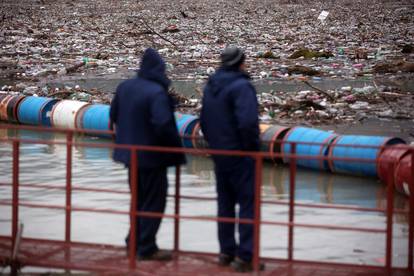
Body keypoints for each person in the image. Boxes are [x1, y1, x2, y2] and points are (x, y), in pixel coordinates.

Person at [110, 48, 186, 261]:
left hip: (129, 156)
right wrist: (176, 150)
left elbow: (113, 114)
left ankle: (133, 241)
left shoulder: (125, 87)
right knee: (154, 202)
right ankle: (146, 247)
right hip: (152, 157)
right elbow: (163, 123)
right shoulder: (156, 92)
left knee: (138, 200)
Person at [200, 47, 261, 272]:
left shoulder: (211, 86)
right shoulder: (242, 86)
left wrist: (214, 145)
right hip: (240, 155)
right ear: (240, 63)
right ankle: (245, 257)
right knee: (247, 204)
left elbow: (204, 120)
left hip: (219, 154)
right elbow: (247, 122)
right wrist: (252, 148)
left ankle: (226, 252)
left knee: (224, 204)